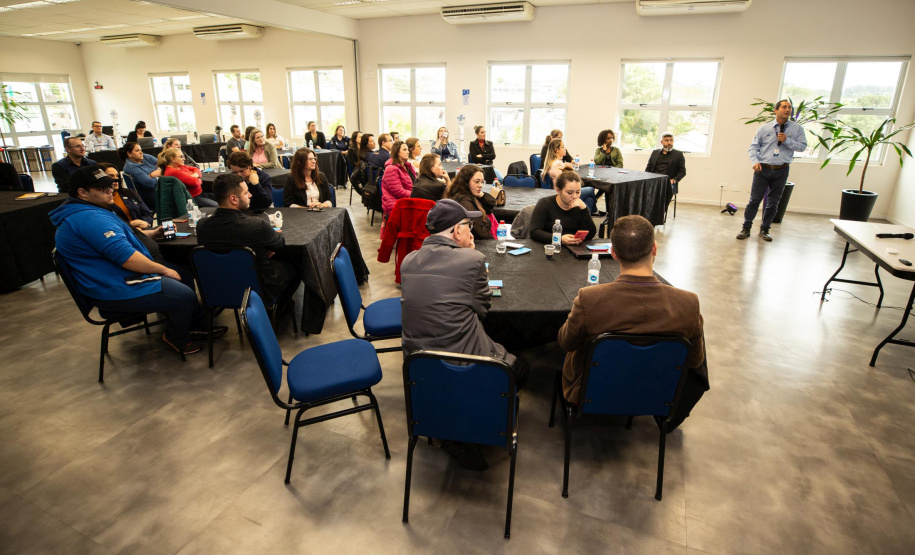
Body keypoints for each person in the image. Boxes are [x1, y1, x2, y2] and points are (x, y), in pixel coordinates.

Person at [400, 198, 530, 470]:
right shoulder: (472, 259)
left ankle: (451, 427)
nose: (471, 231)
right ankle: (480, 421)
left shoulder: (409, 261)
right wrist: (469, 254)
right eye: (468, 225)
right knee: (521, 369)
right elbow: (482, 308)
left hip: (418, 368)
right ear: (456, 231)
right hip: (465, 365)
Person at [50, 166, 224, 355]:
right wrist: (163, 270)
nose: (111, 190)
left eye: (110, 185)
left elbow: (123, 239)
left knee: (184, 272)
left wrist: (151, 234)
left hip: (119, 276)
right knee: (183, 294)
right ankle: (176, 337)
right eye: (102, 188)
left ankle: (194, 324)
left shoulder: (92, 210)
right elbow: (126, 258)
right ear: (82, 192)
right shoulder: (89, 219)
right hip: (116, 286)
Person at [558, 215, 708, 432]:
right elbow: (695, 362)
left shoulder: (589, 299)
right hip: (659, 394)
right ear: (654, 248)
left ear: (613, 253)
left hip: (592, 393)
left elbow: (566, 342)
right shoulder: (689, 304)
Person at [197, 174, 300, 303]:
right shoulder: (256, 225)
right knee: (298, 264)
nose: (250, 195)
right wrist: (267, 243)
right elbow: (279, 244)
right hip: (259, 286)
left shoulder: (201, 226)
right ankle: (282, 308)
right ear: (234, 199)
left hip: (219, 286)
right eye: (246, 193)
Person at [738, 99, 807, 242]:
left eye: (789, 107)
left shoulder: (797, 129)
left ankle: (765, 229)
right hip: (763, 169)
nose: (787, 109)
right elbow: (753, 147)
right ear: (776, 110)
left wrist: (787, 140)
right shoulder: (764, 128)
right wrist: (755, 161)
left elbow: (802, 147)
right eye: (784, 107)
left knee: (773, 202)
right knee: (754, 200)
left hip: (782, 170)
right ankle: (746, 228)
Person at [529, 170, 596, 245]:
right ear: (558, 190)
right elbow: (534, 232)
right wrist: (559, 239)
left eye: (578, 192)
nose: (575, 196)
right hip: (550, 246)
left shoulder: (580, 207)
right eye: (570, 193)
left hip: (574, 247)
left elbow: (590, 235)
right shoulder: (545, 203)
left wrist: (584, 209)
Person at [542, 139, 601, 215]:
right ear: (556, 150)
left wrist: (566, 166)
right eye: (563, 147)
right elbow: (567, 182)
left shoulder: (555, 162)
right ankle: (593, 211)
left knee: (590, 200)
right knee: (591, 189)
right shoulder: (558, 165)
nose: (565, 148)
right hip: (564, 194)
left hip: (563, 192)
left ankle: (589, 213)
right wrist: (570, 170)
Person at [444, 165, 501, 241]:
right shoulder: (464, 201)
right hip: (473, 243)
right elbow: (483, 233)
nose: (480, 185)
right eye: (477, 182)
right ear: (466, 182)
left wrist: (481, 194)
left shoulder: (465, 193)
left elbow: (491, 203)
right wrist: (487, 221)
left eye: (482, 182)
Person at [96, 163, 153, 229]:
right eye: (111, 176)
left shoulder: (130, 193)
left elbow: (147, 213)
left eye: (117, 176)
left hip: (143, 229)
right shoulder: (101, 201)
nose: (116, 179)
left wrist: (142, 225)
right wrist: (131, 226)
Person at [644, 133, 686, 215]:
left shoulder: (679, 154)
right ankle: (648, 213)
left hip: (668, 183)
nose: (669, 142)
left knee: (661, 199)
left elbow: (682, 171)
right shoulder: (655, 153)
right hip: (654, 181)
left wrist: (674, 180)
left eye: (671, 140)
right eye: (666, 140)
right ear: (662, 142)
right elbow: (648, 168)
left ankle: (658, 215)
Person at [120, 141, 160, 210]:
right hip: (151, 196)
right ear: (129, 153)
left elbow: (163, 164)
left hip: (159, 188)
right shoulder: (131, 167)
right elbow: (149, 183)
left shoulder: (145, 157)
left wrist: (152, 175)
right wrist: (158, 174)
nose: (141, 152)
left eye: (141, 150)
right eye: (137, 150)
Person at [381, 140, 416, 217]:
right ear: (397, 152)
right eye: (404, 150)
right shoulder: (391, 169)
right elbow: (398, 191)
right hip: (396, 203)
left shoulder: (408, 166)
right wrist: (415, 195)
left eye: (407, 150)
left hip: (408, 199)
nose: (408, 152)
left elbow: (415, 183)